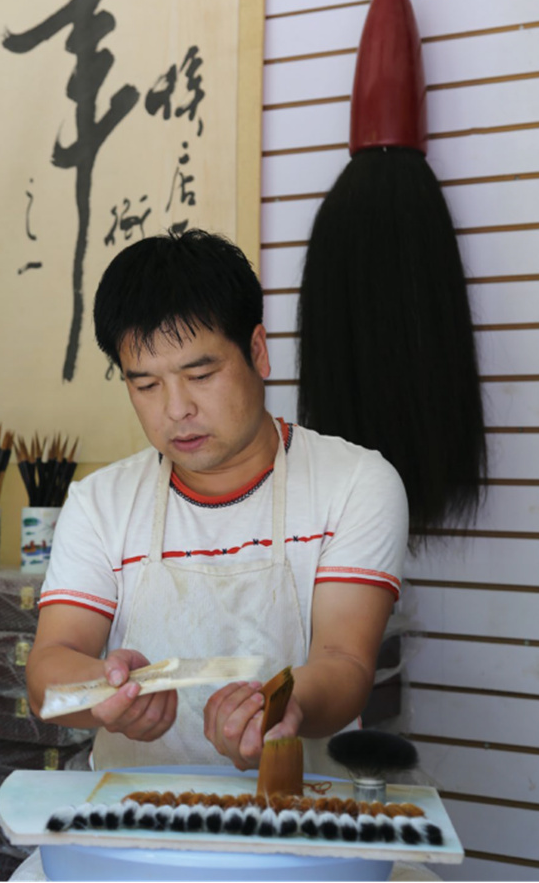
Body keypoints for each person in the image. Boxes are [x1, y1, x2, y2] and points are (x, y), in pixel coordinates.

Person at [26, 229, 408, 776]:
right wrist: (104, 691)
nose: (176, 409)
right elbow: (48, 671)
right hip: (134, 810)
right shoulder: (100, 503)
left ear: (258, 351)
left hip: (298, 807)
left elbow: (344, 662)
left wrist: (280, 707)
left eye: (200, 375)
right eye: (146, 385)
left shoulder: (354, 483)